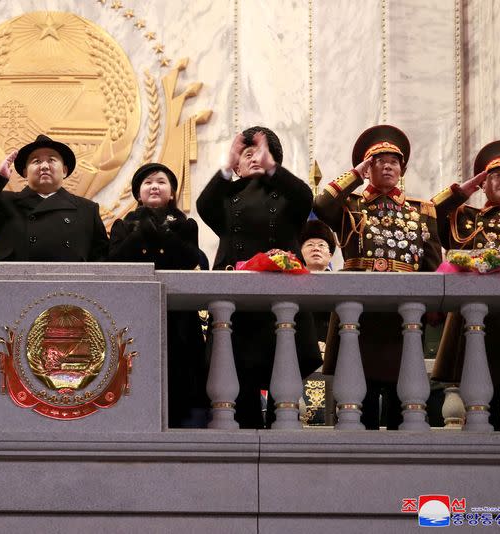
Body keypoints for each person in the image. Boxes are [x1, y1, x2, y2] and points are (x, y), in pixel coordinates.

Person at [314, 124, 442, 430]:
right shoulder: (350, 207)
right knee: (361, 400)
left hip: (403, 315)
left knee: (404, 399)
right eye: (378, 161)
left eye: (394, 161)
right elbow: (320, 205)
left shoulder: (421, 211)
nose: (387, 165)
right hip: (361, 314)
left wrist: (435, 307)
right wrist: (355, 174)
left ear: (402, 169)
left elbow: (433, 264)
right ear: (368, 168)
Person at [196, 127, 322, 428]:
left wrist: (274, 170)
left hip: (279, 304)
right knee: (238, 388)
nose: (253, 159)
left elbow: (306, 197)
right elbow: (204, 206)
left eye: (259, 154)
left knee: (284, 389)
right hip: (237, 306)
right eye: (246, 155)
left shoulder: (289, 197)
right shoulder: (227, 199)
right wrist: (226, 165)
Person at [109, 163, 209, 427]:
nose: (154, 186)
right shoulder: (122, 225)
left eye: (161, 182)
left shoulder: (186, 225)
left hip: (178, 314)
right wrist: (143, 230)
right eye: (148, 182)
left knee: (181, 374)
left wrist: (162, 232)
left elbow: (189, 259)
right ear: (138, 194)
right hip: (135, 314)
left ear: (172, 192)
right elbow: (116, 261)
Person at [431, 140, 500, 430]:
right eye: (496, 175)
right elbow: (430, 215)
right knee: (482, 409)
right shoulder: (468, 219)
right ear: (484, 183)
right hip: (478, 322)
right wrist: (465, 189)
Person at [0, 134, 108, 262]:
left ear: (64, 171)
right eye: (36, 161)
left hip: (69, 291)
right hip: (13, 289)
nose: (44, 166)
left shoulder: (87, 210)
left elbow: (101, 260)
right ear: (25, 173)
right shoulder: (3, 202)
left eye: (51, 160)